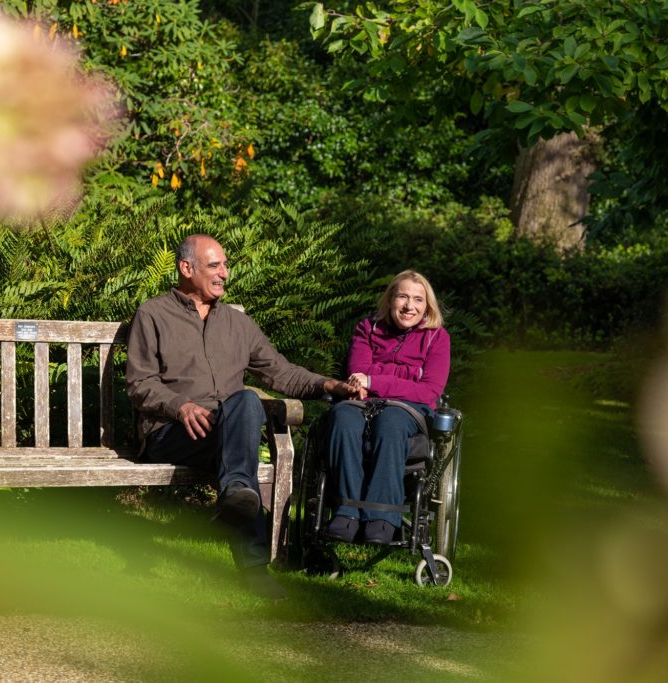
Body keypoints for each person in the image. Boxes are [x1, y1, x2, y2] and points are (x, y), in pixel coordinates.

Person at [125, 233, 360, 598]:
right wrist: (179, 405)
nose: (225, 274)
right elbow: (139, 383)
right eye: (214, 265)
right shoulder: (153, 314)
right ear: (186, 268)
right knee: (242, 455)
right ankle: (253, 566)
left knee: (247, 402)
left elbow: (280, 372)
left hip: (225, 432)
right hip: (172, 432)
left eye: (225, 265)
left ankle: (235, 495)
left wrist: (330, 385)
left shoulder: (237, 323)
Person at [325, 270, 451, 544]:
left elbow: (429, 390)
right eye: (403, 296)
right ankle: (347, 512)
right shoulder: (367, 328)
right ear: (390, 299)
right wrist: (407, 375)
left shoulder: (437, 337)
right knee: (342, 417)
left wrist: (375, 378)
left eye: (418, 299)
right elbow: (357, 377)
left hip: (409, 410)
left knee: (390, 422)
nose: (409, 306)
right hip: (362, 403)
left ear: (427, 305)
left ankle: (383, 518)